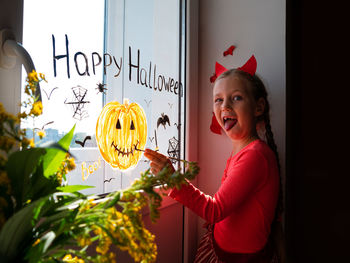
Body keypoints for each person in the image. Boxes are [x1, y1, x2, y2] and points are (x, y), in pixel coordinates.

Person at [144, 60, 284, 263]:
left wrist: (173, 178)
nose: (225, 105)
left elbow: (214, 210)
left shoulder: (255, 155)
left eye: (236, 98)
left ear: (258, 107)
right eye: (218, 100)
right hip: (220, 248)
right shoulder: (243, 150)